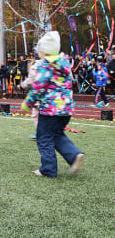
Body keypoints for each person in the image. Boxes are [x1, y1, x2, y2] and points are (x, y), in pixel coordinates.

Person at [22, 31, 84, 177]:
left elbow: (38, 86)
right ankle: (74, 155)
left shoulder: (46, 65)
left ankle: (48, 169)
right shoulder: (64, 63)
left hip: (50, 109)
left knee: (44, 137)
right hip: (66, 108)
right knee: (57, 134)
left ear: (44, 51)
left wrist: (28, 102)